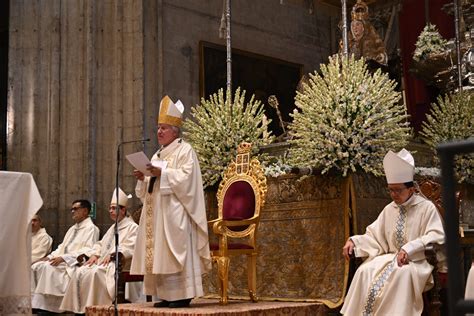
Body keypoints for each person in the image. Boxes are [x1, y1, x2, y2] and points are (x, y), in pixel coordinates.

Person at [341, 149, 445, 315]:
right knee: (364, 271)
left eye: (398, 190)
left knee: (400, 273)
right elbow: (374, 236)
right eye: (391, 190)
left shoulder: (426, 208)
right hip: (389, 258)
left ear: (411, 189)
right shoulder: (389, 209)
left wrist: (409, 249)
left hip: (416, 262)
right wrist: (355, 241)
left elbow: (436, 235)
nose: (394, 195)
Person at [130, 95, 212, 308]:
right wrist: (144, 178)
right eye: (158, 128)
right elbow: (150, 187)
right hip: (157, 213)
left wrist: (162, 173)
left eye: (164, 128)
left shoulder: (185, 150)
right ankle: (164, 295)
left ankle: (181, 295)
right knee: (159, 254)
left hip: (175, 213)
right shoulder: (157, 154)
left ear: (175, 131)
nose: (159, 132)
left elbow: (188, 179)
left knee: (174, 251)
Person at [60, 188, 139, 313]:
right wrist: (95, 254)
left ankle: (98, 309)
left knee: (94, 273)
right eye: (110, 208)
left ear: (123, 210)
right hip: (104, 262)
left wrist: (114, 254)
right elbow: (100, 244)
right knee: (81, 271)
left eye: (114, 208)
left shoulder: (132, 227)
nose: (110, 211)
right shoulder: (113, 227)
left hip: (119, 264)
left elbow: (132, 246)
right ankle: (80, 309)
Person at [31, 199, 100, 313]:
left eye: (75, 209)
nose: (72, 211)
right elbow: (62, 247)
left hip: (74, 263)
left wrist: (64, 258)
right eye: (72, 209)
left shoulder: (92, 229)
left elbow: (88, 250)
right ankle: (41, 305)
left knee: (48, 268)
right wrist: (48, 257)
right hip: (62, 260)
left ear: (85, 211)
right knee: (37, 266)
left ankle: (53, 308)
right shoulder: (72, 229)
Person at [339, 0, 388, 66]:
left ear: (363, 27)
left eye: (357, 25)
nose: (355, 28)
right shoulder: (348, 42)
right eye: (353, 25)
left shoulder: (369, 41)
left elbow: (371, 59)